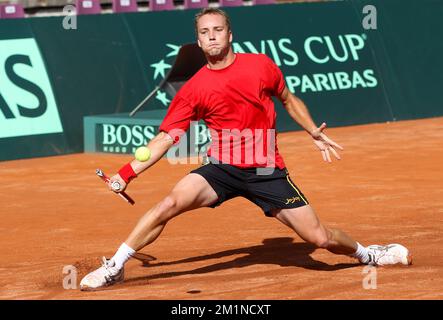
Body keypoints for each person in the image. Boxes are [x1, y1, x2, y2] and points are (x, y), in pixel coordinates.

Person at [80, 8, 412, 291]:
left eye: (218, 30)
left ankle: (370, 254)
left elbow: (288, 98)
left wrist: (312, 130)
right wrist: (126, 174)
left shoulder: (260, 66)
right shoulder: (193, 89)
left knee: (320, 238)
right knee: (170, 203)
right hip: (221, 168)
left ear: (230, 35)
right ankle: (116, 265)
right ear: (198, 41)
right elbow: (167, 138)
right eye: (205, 32)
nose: (212, 37)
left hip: (266, 169)